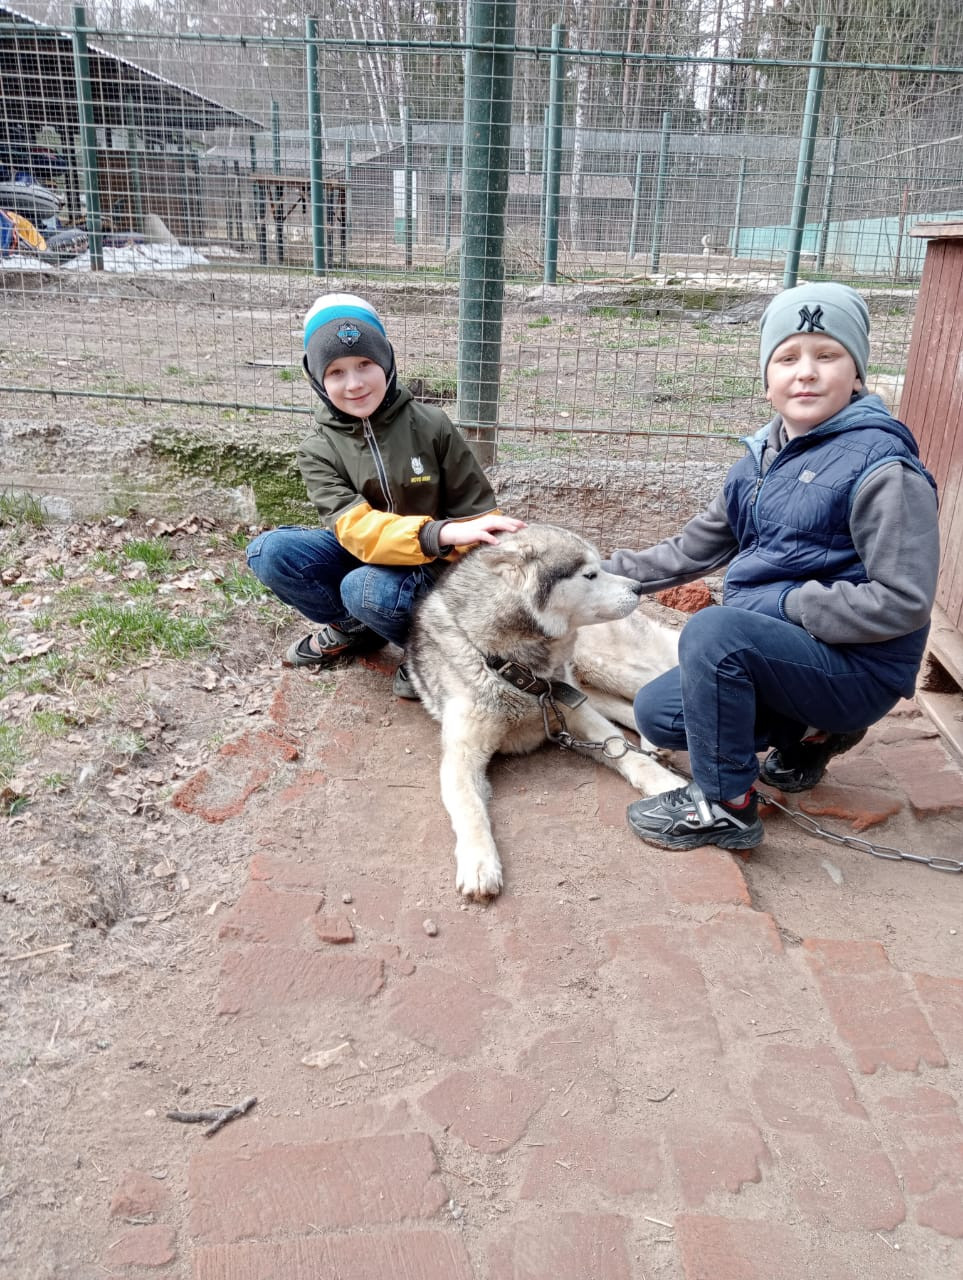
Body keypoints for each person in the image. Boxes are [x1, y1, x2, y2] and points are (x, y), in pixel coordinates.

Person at [605, 282, 940, 851]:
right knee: (659, 713)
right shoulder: (759, 463)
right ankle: (813, 734)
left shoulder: (885, 469)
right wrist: (590, 573)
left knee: (715, 632)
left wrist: (788, 603)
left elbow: (904, 601)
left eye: (827, 354)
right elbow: (690, 550)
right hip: (788, 655)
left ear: (857, 375)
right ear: (767, 381)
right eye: (787, 358)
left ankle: (726, 805)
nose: (806, 372)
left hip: (858, 668)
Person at [246, 293, 523, 697]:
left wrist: (464, 560)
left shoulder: (431, 425)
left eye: (365, 364)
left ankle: (432, 646)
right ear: (317, 381)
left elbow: (477, 516)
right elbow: (355, 528)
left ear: (387, 362)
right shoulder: (317, 450)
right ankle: (355, 628)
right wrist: (435, 532)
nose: (355, 383)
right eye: (336, 372)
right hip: (376, 555)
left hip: (436, 570)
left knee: (365, 588)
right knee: (269, 552)